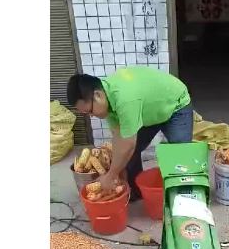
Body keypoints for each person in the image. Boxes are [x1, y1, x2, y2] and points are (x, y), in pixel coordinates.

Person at [67, 67, 193, 200]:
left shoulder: (125, 99)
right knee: (128, 153)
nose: (91, 116)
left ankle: (184, 196)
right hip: (150, 110)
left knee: (180, 151)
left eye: (90, 111)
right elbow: (118, 138)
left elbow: (128, 144)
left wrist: (110, 176)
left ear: (98, 95)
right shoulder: (107, 100)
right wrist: (117, 170)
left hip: (175, 104)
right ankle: (135, 191)